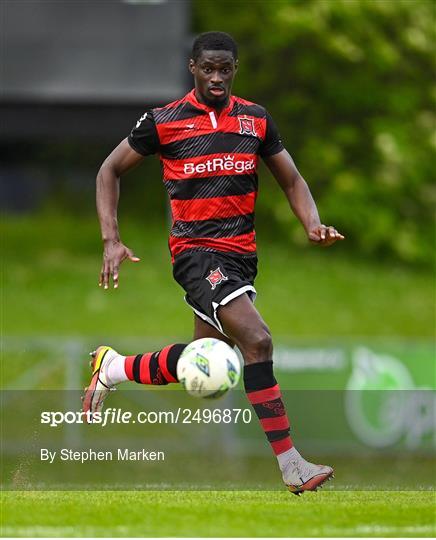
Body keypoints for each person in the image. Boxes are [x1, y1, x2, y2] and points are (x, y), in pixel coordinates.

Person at [83, 31, 344, 495]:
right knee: (258, 341)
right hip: (196, 254)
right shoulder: (164, 120)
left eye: (225, 69)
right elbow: (109, 169)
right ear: (194, 69)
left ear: (235, 70)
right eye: (209, 69)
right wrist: (111, 239)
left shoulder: (255, 121)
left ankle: (115, 367)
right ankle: (292, 466)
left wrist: (312, 223)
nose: (217, 77)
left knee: (208, 363)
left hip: (242, 256)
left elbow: (292, 179)